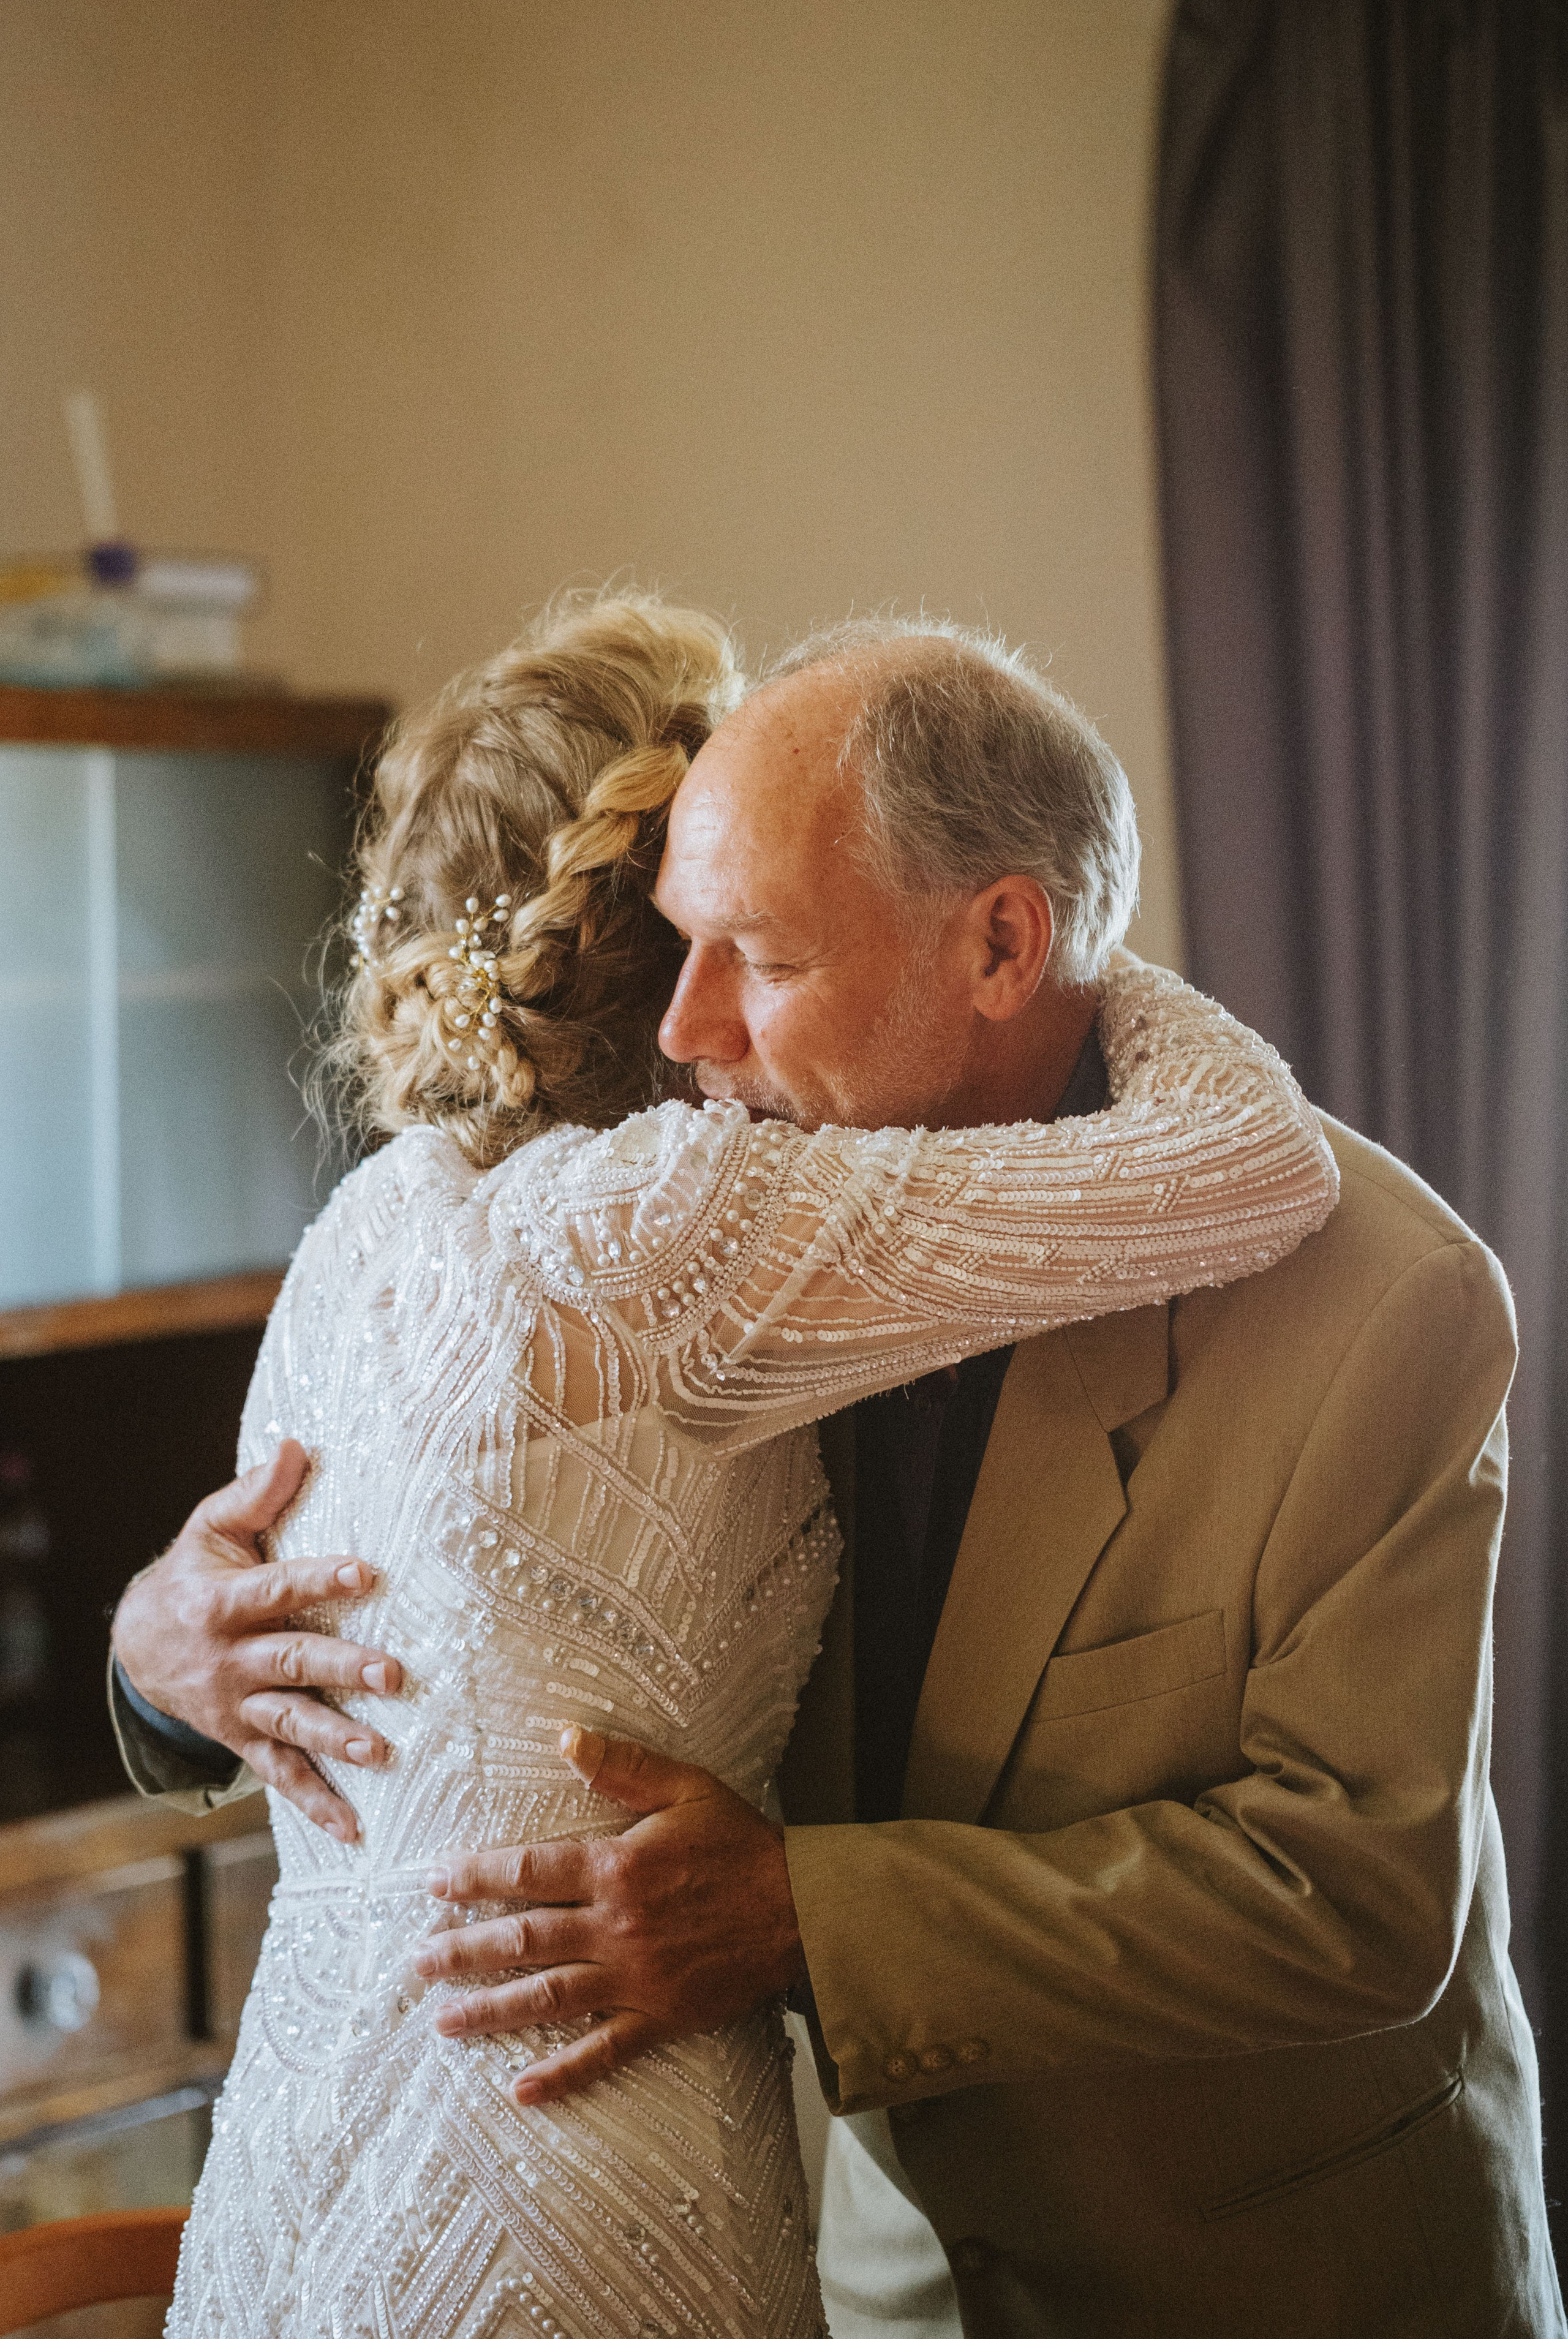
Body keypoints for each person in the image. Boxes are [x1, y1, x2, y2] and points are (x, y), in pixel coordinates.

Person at [109, 594, 1340, 2339]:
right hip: (583, 2158)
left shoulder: (360, 1231)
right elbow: (1250, 1161)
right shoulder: (678, 1222)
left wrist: (148, 1642)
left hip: (298, 2174)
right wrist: (1038, 925)